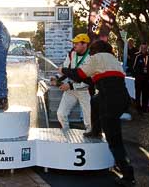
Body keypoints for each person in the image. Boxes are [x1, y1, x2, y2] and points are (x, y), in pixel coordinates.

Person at [58, 40, 135, 186]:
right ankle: (95, 130)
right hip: (122, 97)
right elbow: (91, 79)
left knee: (114, 139)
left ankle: (128, 174)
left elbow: (79, 74)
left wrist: (64, 71)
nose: (91, 53)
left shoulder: (96, 58)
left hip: (110, 100)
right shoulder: (112, 59)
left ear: (95, 50)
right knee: (95, 100)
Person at [52, 33, 91, 132]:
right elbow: (65, 69)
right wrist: (57, 78)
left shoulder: (91, 57)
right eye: (74, 43)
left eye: (77, 43)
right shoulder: (72, 54)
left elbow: (89, 80)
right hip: (71, 89)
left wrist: (69, 85)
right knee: (61, 113)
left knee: (89, 119)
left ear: (84, 44)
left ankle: (91, 135)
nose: (74, 45)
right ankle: (66, 133)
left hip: (85, 91)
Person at [133, 42, 149, 114]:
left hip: (147, 79)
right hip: (139, 79)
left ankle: (145, 108)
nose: (144, 49)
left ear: (147, 48)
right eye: (142, 48)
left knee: (146, 93)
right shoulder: (137, 56)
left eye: (145, 48)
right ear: (140, 48)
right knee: (138, 93)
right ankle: (138, 108)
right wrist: (141, 71)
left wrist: (148, 70)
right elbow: (134, 68)